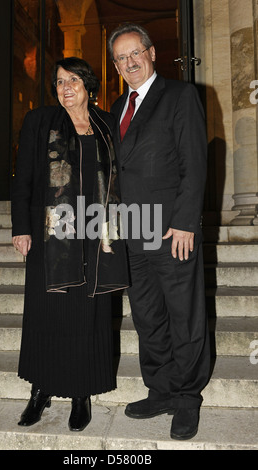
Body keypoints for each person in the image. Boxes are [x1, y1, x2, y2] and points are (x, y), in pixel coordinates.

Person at [11, 57, 129, 432]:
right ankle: (40, 390)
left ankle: (82, 394)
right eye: (59, 81)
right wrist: (21, 227)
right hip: (51, 234)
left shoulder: (107, 124)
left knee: (89, 315)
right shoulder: (40, 121)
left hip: (97, 235)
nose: (65, 88)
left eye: (73, 80)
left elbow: (121, 178)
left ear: (88, 86)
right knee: (47, 313)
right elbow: (25, 176)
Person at [108, 23, 210, 440]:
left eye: (135, 53)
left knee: (184, 315)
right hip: (132, 229)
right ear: (116, 65)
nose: (129, 62)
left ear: (151, 53)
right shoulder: (117, 107)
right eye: (121, 58)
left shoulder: (181, 96)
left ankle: (187, 398)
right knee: (148, 317)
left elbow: (194, 162)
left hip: (171, 228)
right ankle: (161, 389)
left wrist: (186, 221)